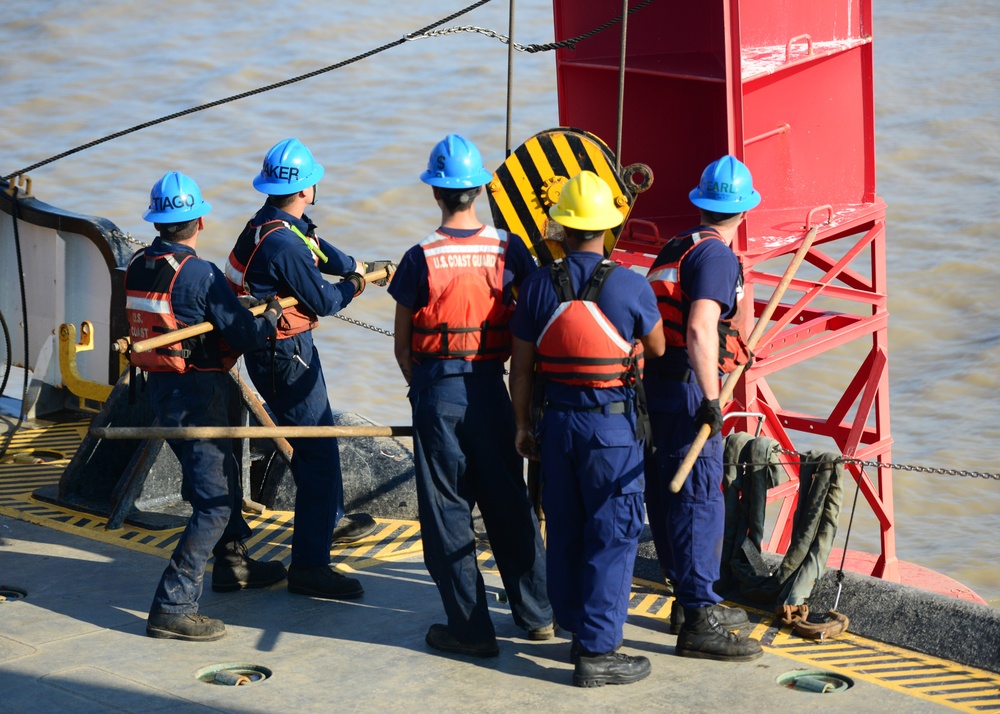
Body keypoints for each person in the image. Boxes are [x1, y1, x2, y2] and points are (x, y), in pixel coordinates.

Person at [389, 134, 552, 658]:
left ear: (435, 192)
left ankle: (471, 630)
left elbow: (402, 345)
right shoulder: (509, 249)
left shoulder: (420, 257)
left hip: (438, 392)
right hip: (493, 391)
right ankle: (539, 615)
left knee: (446, 515)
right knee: (508, 505)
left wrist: (427, 389)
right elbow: (534, 318)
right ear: (480, 189)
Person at [509, 170, 665, 687]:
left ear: (561, 227)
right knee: (614, 535)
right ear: (608, 227)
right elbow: (659, 348)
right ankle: (599, 652)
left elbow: (522, 369)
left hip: (557, 428)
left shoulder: (535, 287)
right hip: (612, 434)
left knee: (567, 529)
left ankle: (577, 628)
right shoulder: (629, 285)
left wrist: (522, 428)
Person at [226, 138, 394, 600]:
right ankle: (310, 567)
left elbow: (320, 249)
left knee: (314, 446)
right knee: (319, 453)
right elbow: (323, 299)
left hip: (272, 351)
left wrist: (357, 265)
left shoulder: (268, 224)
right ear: (307, 188)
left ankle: (326, 520)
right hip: (285, 355)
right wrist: (358, 284)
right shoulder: (284, 245)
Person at [126, 172, 287, 641]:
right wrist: (270, 316)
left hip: (163, 387)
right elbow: (245, 334)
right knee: (214, 502)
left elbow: (186, 311)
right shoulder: (200, 272)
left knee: (221, 478)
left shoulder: (138, 262)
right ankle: (173, 606)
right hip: (200, 394)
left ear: (158, 221)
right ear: (198, 220)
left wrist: (233, 304)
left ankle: (232, 564)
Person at [642, 155, 764, 661]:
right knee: (699, 499)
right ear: (744, 211)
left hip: (656, 385)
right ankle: (698, 617)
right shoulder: (716, 257)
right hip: (689, 386)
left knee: (669, 495)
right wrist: (713, 399)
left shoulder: (677, 245)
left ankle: (685, 598)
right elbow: (697, 327)